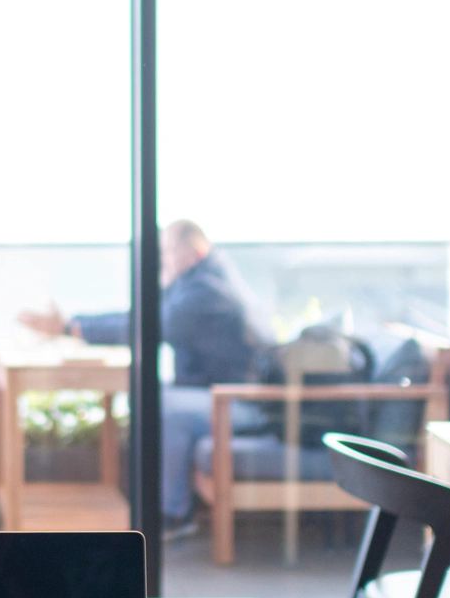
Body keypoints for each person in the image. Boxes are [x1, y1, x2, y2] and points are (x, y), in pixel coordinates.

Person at [17, 219, 275, 535]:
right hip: (215, 393)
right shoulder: (196, 280)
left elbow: (146, 326)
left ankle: (173, 515)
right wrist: (73, 324)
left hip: (239, 403)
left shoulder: (207, 291)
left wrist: (70, 327)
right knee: (152, 395)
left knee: (159, 404)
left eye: (168, 252)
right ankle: (151, 506)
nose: (162, 260)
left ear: (194, 251)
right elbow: (141, 314)